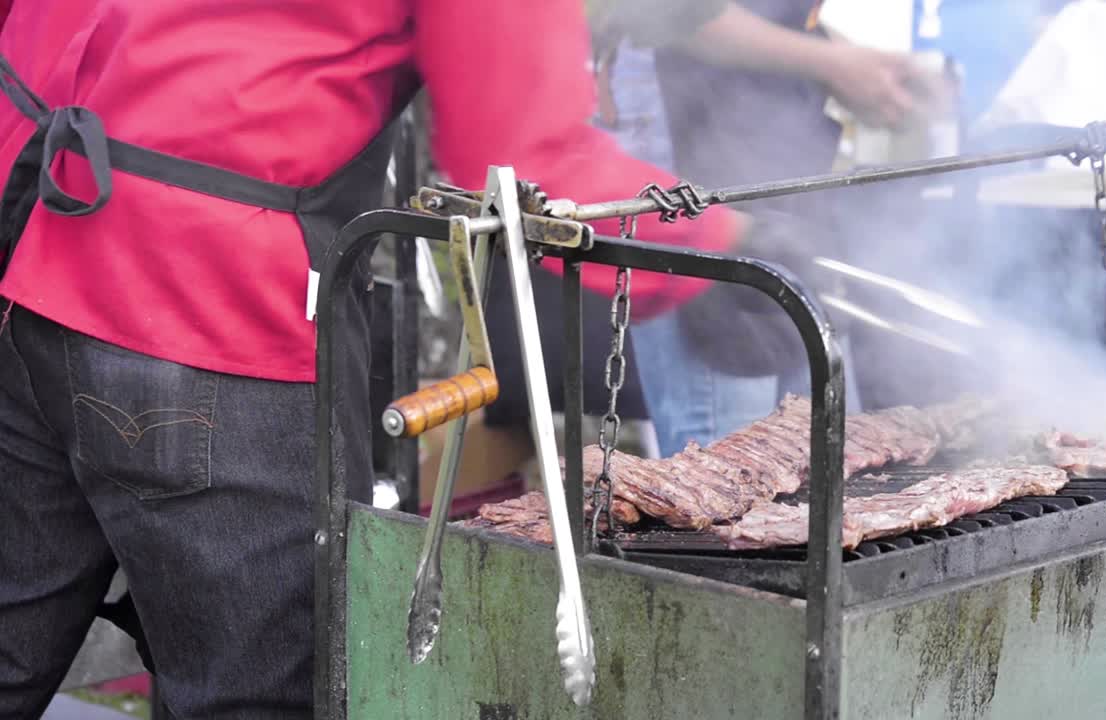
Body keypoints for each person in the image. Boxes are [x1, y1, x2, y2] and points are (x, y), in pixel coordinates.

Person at [0, 1, 746, 716]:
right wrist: (730, 241)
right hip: (216, 313)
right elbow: (525, 156)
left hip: (27, 243)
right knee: (268, 696)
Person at [590, 0, 949, 456]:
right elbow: (674, 13)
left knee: (837, 459)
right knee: (727, 474)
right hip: (693, 187)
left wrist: (867, 68)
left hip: (786, 188)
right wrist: (836, 65)